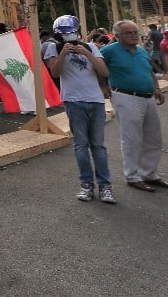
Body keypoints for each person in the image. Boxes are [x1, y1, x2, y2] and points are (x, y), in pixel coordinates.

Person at [44, 15, 115, 204]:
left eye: (72, 33)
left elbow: (104, 71)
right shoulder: (54, 47)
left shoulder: (90, 47)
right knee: (81, 145)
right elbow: (55, 73)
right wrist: (63, 54)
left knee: (98, 145)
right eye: (65, 34)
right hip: (74, 101)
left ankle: (105, 186)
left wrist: (86, 53)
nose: (69, 37)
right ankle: (86, 185)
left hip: (96, 100)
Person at [100, 20, 168, 192]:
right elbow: (95, 66)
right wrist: (103, 86)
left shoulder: (141, 50)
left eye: (135, 32)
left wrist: (156, 87)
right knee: (132, 138)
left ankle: (149, 173)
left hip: (148, 97)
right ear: (117, 36)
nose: (134, 35)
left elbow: (148, 71)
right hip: (126, 96)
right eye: (128, 33)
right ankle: (133, 176)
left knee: (153, 138)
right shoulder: (109, 50)